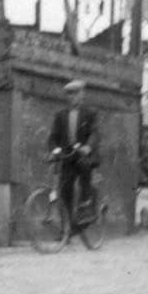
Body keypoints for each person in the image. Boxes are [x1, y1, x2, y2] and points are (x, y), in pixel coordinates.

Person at [48, 79, 98, 224]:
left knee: (84, 168)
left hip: (83, 154)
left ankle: (86, 206)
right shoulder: (60, 115)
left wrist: (88, 147)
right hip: (68, 156)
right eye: (69, 95)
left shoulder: (89, 113)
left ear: (82, 96)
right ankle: (67, 229)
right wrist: (55, 150)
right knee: (65, 190)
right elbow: (53, 137)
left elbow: (95, 133)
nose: (72, 98)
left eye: (76, 94)